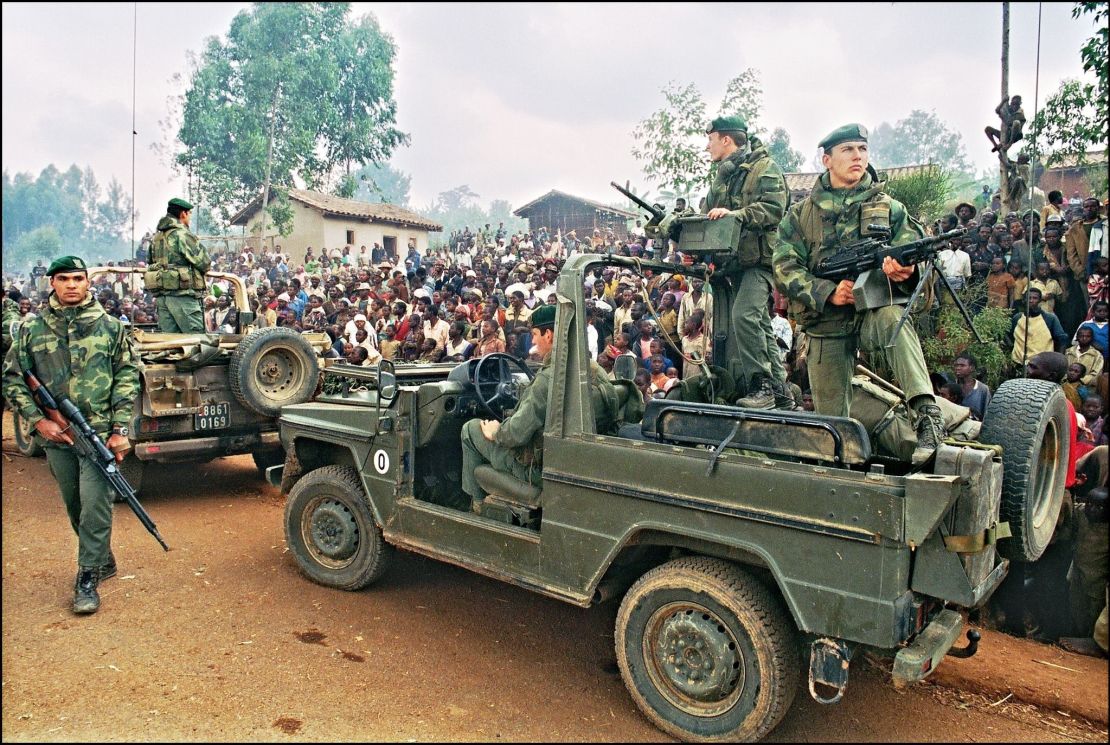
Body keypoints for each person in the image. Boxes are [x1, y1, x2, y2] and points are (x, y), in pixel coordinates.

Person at [773, 123, 946, 465]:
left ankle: (927, 417)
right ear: (826, 160)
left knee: (893, 318)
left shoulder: (890, 209)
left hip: (873, 314)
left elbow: (918, 265)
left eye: (862, 150)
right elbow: (783, 267)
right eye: (848, 150)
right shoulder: (800, 216)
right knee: (833, 429)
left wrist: (907, 273)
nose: (857, 157)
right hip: (826, 323)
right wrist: (826, 292)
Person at [1, 256, 140, 615]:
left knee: (95, 504)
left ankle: (88, 576)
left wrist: (121, 429)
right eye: (64, 279)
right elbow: (13, 377)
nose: (73, 285)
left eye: (79, 278)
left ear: (88, 282)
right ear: (53, 284)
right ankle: (102, 559)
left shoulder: (110, 327)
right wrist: (36, 421)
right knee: (74, 504)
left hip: (98, 434)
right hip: (57, 436)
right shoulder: (32, 330)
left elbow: (127, 376)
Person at [459, 304, 618, 514]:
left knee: (470, 429)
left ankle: (476, 506)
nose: (532, 341)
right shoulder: (593, 369)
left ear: (549, 334)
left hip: (538, 469)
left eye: (534, 334)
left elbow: (514, 434)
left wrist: (496, 431)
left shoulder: (547, 380)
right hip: (576, 463)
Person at [701, 115, 793, 409]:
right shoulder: (724, 175)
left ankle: (762, 386)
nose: (707, 147)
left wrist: (737, 215)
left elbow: (774, 208)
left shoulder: (763, 168)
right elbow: (707, 212)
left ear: (726, 139)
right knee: (760, 325)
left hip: (761, 260)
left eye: (710, 139)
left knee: (743, 316)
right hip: (737, 262)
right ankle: (780, 391)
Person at [145, 197, 210, 332]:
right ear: (183, 214)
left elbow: (151, 262)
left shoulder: (157, 238)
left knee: (170, 343)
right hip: (183, 297)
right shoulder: (182, 235)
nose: (190, 218)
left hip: (163, 298)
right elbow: (205, 263)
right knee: (197, 341)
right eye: (189, 214)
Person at [953, 353, 991, 421]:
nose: (958, 368)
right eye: (956, 365)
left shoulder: (982, 389)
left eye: (962, 365)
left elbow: (987, 414)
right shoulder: (950, 386)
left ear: (972, 368)